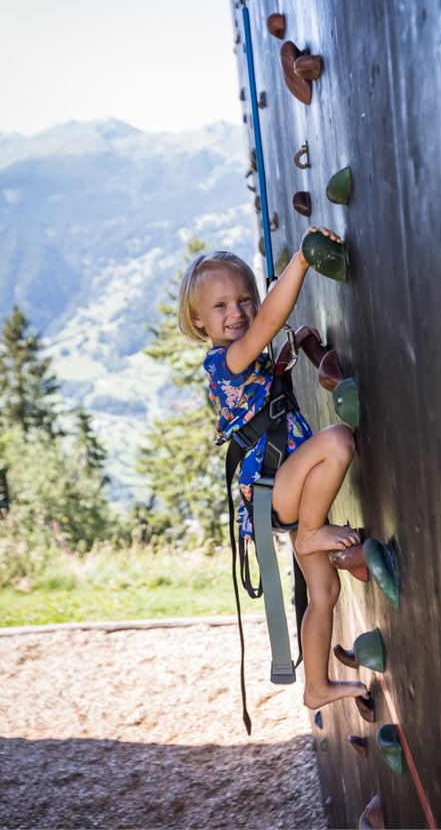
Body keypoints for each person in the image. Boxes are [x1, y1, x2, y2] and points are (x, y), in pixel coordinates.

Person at [177, 228, 368, 710]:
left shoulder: (250, 360)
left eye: (243, 299)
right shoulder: (227, 362)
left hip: (282, 487)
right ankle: (309, 532)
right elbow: (270, 319)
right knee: (339, 441)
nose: (236, 312)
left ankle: (316, 687)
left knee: (323, 590)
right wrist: (302, 261)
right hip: (273, 488)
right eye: (219, 306)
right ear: (199, 321)